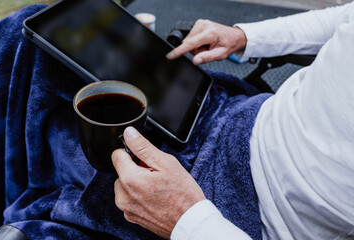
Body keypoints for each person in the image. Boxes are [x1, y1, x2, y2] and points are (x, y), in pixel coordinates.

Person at [111, 2, 354, 240]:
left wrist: (184, 220)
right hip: (251, 113)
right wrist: (244, 36)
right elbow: (345, 16)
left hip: (248, 211)